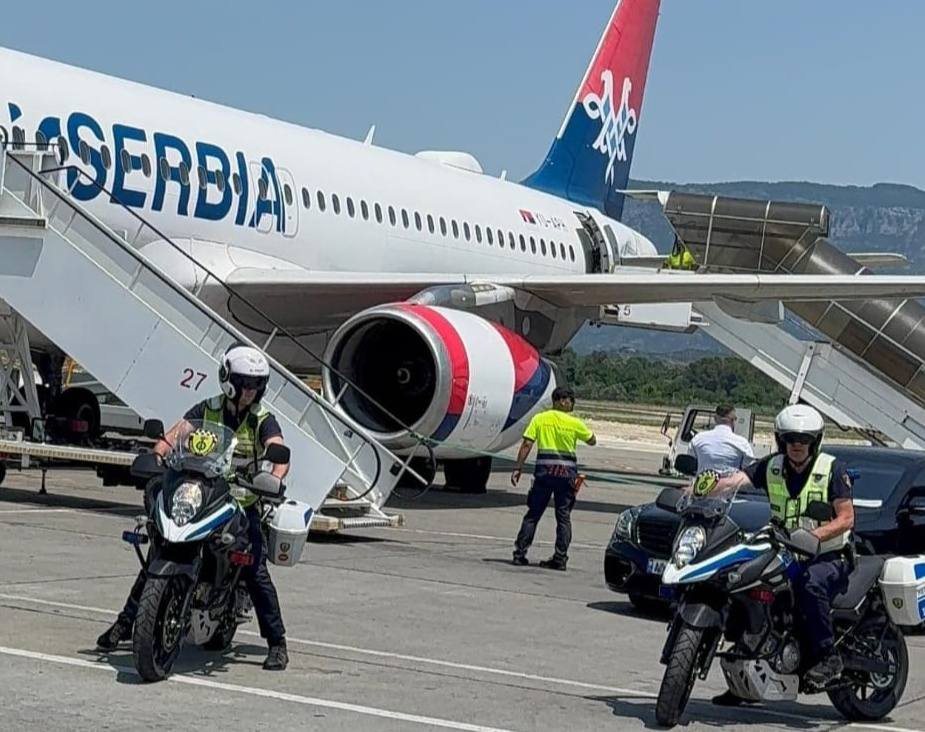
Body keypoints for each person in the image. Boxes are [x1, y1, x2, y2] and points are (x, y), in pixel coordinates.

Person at [96, 344, 292, 671]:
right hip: (203, 491)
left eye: (256, 384)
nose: (250, 391)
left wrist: (272, 477)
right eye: (245, 383)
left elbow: (278, 449)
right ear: (228, 380)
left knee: (254, 570)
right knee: (160, 554)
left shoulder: (263, 420)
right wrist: (158, 455)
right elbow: (177, 434)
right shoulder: (208, 409)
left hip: (241, 502)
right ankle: (125, 623)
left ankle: (277, 643)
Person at [709, 404, 854, 706]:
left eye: (803, 439)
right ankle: (745, 671)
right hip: (784, 551)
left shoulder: (832, 469)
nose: (797, 445)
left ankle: (829, 656)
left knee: (809, 586)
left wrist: (814, 536)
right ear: (780, 440)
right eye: (790, 439)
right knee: (742, 582)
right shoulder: (772, 466)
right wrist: (701, 489)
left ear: (815, 441)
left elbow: (846, 518)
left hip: (827, 554)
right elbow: (737, 481)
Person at [511, 387, 596, 570]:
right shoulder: (575, 423)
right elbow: (592, 440)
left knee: (533, 514)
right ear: (558, 401)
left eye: (571, 399)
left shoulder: (540, 419)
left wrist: (518, 467)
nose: (570, 403)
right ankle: (560, 557)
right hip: (566, 476)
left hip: (545, 473)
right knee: (563, 517)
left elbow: (527, 443)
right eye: (567, 399)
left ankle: (520, 553)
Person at [689, 404, 754, 474]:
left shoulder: (698, 439)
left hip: (703, 483)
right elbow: (749, 469)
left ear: (715, 418)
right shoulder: (742, 443)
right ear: (733, 420)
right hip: (731, 484)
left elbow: (691, 463)